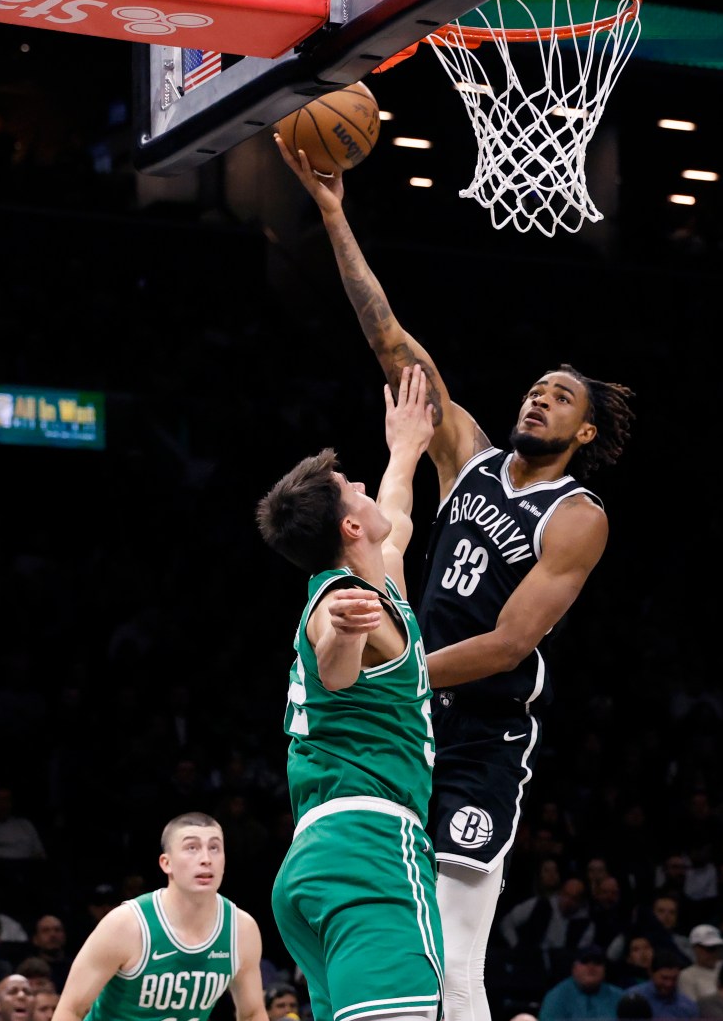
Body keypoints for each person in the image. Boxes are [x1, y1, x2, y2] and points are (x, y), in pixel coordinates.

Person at [275, 128, 635, 1021]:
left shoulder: (576, 515)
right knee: (398, 934)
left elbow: (510, 643)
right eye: (536, 387)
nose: (538, 397)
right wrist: (333, 214)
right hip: (412, 717)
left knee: (453, 951)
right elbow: (388, 339)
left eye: (560, 396)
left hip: (479, 731)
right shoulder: (466, 455)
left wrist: (398, 676)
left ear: (585, 433)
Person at [255, 365, 444, 1021]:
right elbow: (335, 669)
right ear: (349, 529)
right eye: (349, 489)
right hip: (371, 848)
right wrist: (341, 636)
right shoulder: (338, 601)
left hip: (318, 861)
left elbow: (397, 512)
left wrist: (406, 447)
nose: (363, 487)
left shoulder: (378, 580)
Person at [52, 812, 266, 1021]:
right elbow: (70, 1010)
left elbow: (252, 1014)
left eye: (214, 848)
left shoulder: (241, 929)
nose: (206, 859)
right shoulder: (126, 925)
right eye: (192, 848)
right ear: (166, 863)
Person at [537, 944, 623, 1021]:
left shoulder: (620, 997)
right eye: (585, 961)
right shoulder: (556, 998)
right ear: (574, 968)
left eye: (597, 962)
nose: (591, 967)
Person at [630, 949, 698, 1019]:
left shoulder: (688, 1006)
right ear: (651, 973)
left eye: (674, 978)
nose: (669, 984)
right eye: (664, 978)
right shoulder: (632, 1001)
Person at [677, 923, 723, 1001]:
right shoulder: (687, 976)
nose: (714, 953)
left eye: (716, 948)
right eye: (709, 949)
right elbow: (691, 1005)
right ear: (696, 949)